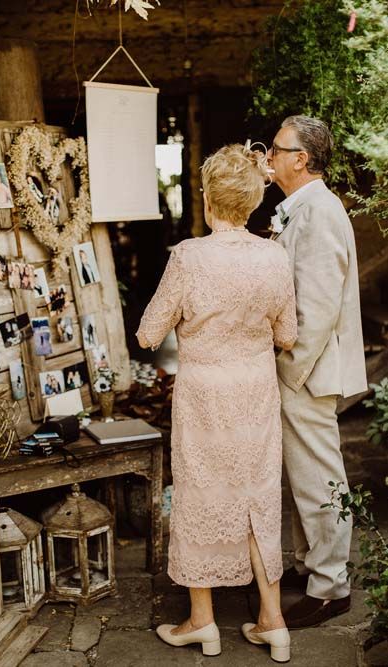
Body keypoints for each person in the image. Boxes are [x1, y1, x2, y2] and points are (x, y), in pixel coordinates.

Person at [137, 144, 297, 661]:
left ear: (209, 200)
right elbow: (288, 334)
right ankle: (273, 622)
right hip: (255, 392)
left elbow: (146, 335)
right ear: (252, 202)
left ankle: (202, 621)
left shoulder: (188, 257)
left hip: (205, 394)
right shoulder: (274, 256)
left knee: (201, 494)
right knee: (257, 497)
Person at [267, 116, 367, 628]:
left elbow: (319, 305)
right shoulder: (300, 209)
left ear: (300, 159)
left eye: (276, 149)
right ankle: (311, 567)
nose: (268, 156)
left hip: (309, 371)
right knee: (304, 478)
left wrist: (288, 369)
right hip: (302, 370)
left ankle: (331, 587)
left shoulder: (321, 213)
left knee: (320, 478)